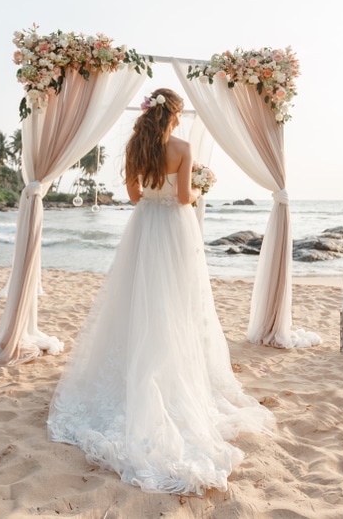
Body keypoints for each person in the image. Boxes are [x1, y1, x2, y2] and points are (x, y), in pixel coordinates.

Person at [47, 88, 274, 495]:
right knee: (176, 305)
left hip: (144, 230)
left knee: (137, 301)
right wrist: (198, 189)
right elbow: (185, 197)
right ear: (173, 115)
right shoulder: (183, 148)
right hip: (174, 231)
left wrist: (156, 192)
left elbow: (134, 196)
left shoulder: (136, 148)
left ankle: (137, 367)